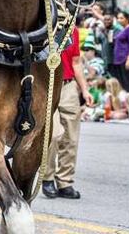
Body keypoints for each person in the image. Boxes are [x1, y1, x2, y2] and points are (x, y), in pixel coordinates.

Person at [43, 27, 94, 199]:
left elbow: (76, 62)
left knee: (71, 137)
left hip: (68, 86)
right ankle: (47, 178)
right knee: (54, 135)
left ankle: (65, 181)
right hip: (47, 86)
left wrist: (84, 90)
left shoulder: (73, 30)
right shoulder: (43, 24)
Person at [112, 11, 129, 96]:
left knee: (128, 84)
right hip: (119, 60)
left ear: (127, 19)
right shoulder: (123, 29)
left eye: (121, 18)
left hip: (125, 59)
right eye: (118, 18)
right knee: (123, 84)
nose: (119, 20)